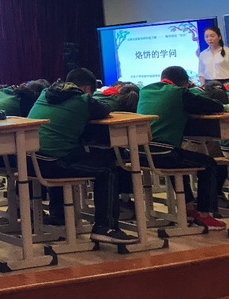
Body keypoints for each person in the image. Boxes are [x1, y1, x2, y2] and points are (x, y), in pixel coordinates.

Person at [27, 68, 138, 244]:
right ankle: (105, 227)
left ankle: (59, 216)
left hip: (29, 161)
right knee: (107, 169)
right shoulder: (83, 100)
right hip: (52, 164)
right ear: (87, 89)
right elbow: (104, 109)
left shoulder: (45, 94)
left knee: (66, 152)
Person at [136, 65, 227, 230]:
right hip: (162, 153)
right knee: (209, 164)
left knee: (180, 159)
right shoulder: (180, 93)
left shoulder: (145, 91)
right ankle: (205, 214)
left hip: (139, 153)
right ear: (185, 83)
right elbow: (214, 106)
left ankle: (188, 208)